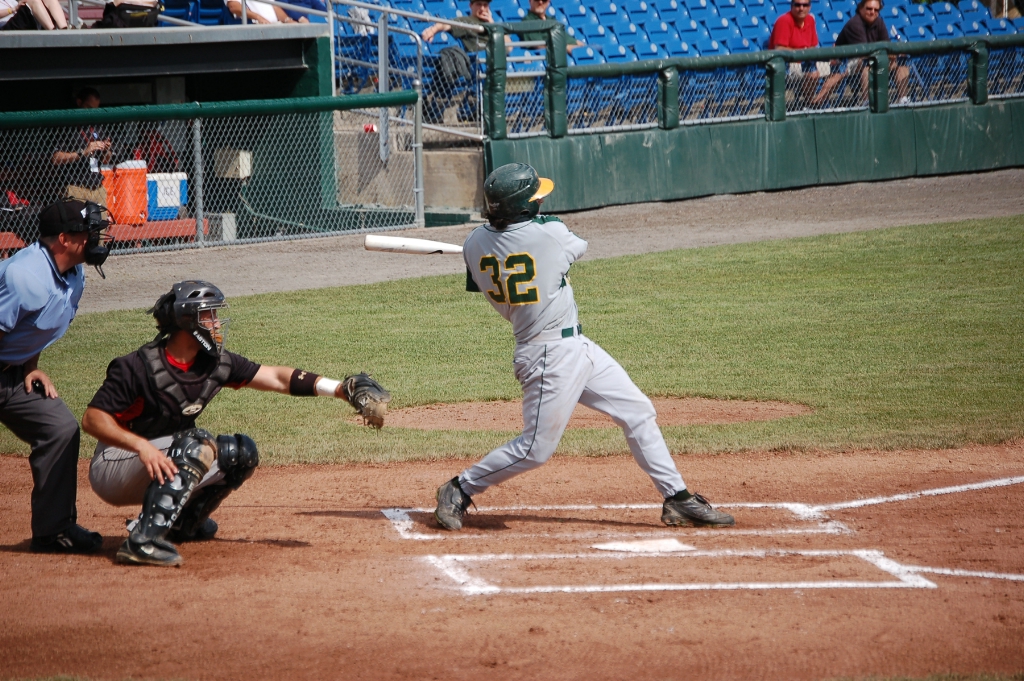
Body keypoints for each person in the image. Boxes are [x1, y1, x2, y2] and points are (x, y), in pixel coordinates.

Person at [433, 163, 734, 532]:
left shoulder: (473, 245)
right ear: (524, 208)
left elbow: (487, 269)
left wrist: (500, 244)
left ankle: (678, 499)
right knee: (535, 449)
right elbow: (573, 246)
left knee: (637, 410)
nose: (541, 200)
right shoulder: (552, 234)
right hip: (548, 356)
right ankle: (458, 488)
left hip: (575, 346)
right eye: (535, 197)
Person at [82, 280, 392, 567]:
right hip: (115, 463)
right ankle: (142, 541)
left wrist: (339, 389)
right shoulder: (136, 367)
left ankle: (182, 524)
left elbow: (276, 378)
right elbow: (93, 419)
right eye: (209, 316)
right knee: (197, 444)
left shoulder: (215, 364)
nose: (217, 324)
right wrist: (141, 447)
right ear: (186, 322)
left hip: (162, 459)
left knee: (239, 453)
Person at [0, 199, 110, 553]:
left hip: (12, 375)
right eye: (89, 232)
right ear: (64, 238)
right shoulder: (23, 276)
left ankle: (53, 529)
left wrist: (30, 367)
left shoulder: (74, 275)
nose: (96, 238)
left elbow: (35, 328)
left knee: (59, 429)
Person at [811, 0, 909, 106]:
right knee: (868, 68)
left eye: (876, 10)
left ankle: (903, 100)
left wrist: (892, 54)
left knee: (901, 66)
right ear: (861, 8)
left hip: (876, 60)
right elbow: (864, 52)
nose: (873, 12)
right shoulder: (855, 23)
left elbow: (887, 46)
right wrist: (890, 54)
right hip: (848, 63)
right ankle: (867, 102)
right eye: (869, 9)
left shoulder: (879, 22)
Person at [51, 88, 111, 209]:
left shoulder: (97, 125)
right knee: (77, 226)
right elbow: (55, 158)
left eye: (94, 109)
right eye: (88, 107)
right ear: (79, 103)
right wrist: (83, 153)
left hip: (96, 186)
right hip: (75, 186)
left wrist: (106, 150)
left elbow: (105, 160)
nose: (91, 112)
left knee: (101, 225)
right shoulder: (67, 126)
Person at [421, 0, 498, 53]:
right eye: (478, 4)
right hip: (479, 61)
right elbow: (447, 24)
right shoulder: (467, 21)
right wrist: (433, 30)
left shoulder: (492, 23)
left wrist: (492, 24)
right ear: (471, 5)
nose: (482, 8)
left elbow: (509, 47)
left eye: (485, 5)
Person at [518, 0, 585, 52]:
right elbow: (539, 45)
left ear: (548, 1)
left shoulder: (552, 21)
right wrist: (564, 48)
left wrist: (583, 47)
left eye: (544, 0)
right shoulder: (527, 22)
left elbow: (570, 40)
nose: (540, 2)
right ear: (530, 1)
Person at [0, 0, 68, 30]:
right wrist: (12, 10)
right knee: (33, 0)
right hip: (6, 29)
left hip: (20, 19)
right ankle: (52, 32)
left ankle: (64, 28)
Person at [226, 0, 297, 23]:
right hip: (254, 28)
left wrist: (287, 20)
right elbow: (234, 7)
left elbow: (275, 6)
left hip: (274, 26)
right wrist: (258, 18)